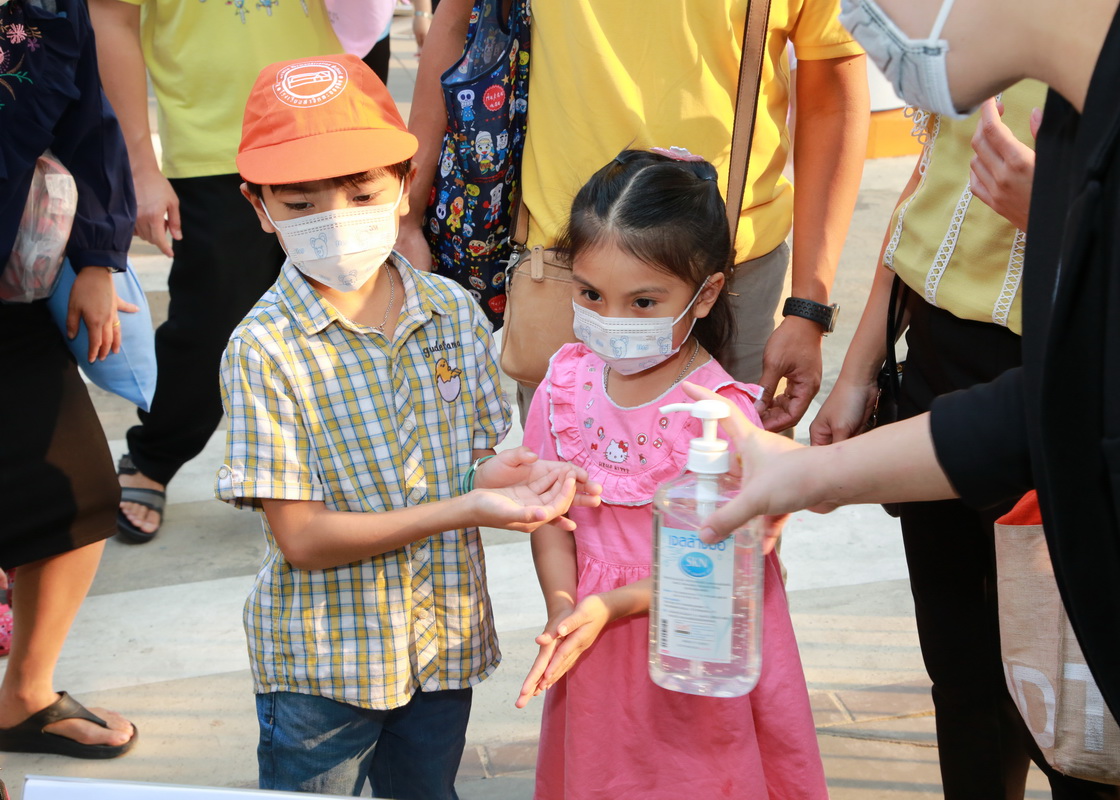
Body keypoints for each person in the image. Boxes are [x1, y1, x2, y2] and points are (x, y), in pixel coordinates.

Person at [682, 0, 1120, 796]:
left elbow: (1084, 394)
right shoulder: (1096, 97)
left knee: (1073, 696)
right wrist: (810, 470)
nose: (862, 21)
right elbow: (1052, 408)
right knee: (967, 674)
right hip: (954, 363)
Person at [216, 53, 601, 798]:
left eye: (360, 193)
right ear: (258, 206)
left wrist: (510, 477)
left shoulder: (452, 311)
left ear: (404, 183)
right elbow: (302, 539)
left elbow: (472, 461)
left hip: (440, 648)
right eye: (300, 203)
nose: (335, 219)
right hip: (325, 667)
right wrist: (468, 507)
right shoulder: (262, 349)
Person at [813, 81, 1120, 800]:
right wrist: (861, 367)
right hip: (936, 349)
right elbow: (930, 179)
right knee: (961, 676)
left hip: (1066, 360)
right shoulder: (970, 37)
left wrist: (1053, 211)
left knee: (1074, 696)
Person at [514, 149, 826, 799]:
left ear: (705, 294)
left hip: (699, 649)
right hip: (596, 648)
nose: (612, 320)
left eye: (643, 301)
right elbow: (548, 516)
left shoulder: (723, 417)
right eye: (591, 294)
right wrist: (564, 606)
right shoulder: (565, 384)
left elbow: (724, 568)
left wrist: (608, 606)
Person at [402, 0, 869, 432]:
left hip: (735, 278)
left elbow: (832, 95)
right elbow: (457, 26)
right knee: (563, 483)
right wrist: (406, 215)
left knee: (730, 483)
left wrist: (808, 309)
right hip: (567, 274)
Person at [88, 0, 343, 542]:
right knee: (212, 326)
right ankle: (153, 456)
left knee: (342, 316)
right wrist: (139, 164)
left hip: (333, 123)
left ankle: (334, 471)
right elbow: (109, 18)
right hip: (216, 144)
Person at [0, 0, 137, 758]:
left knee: (78, 491)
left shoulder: (46, 8)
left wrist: (97, 259)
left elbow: (88, 122)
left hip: (10, 296)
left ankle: (24, 695)